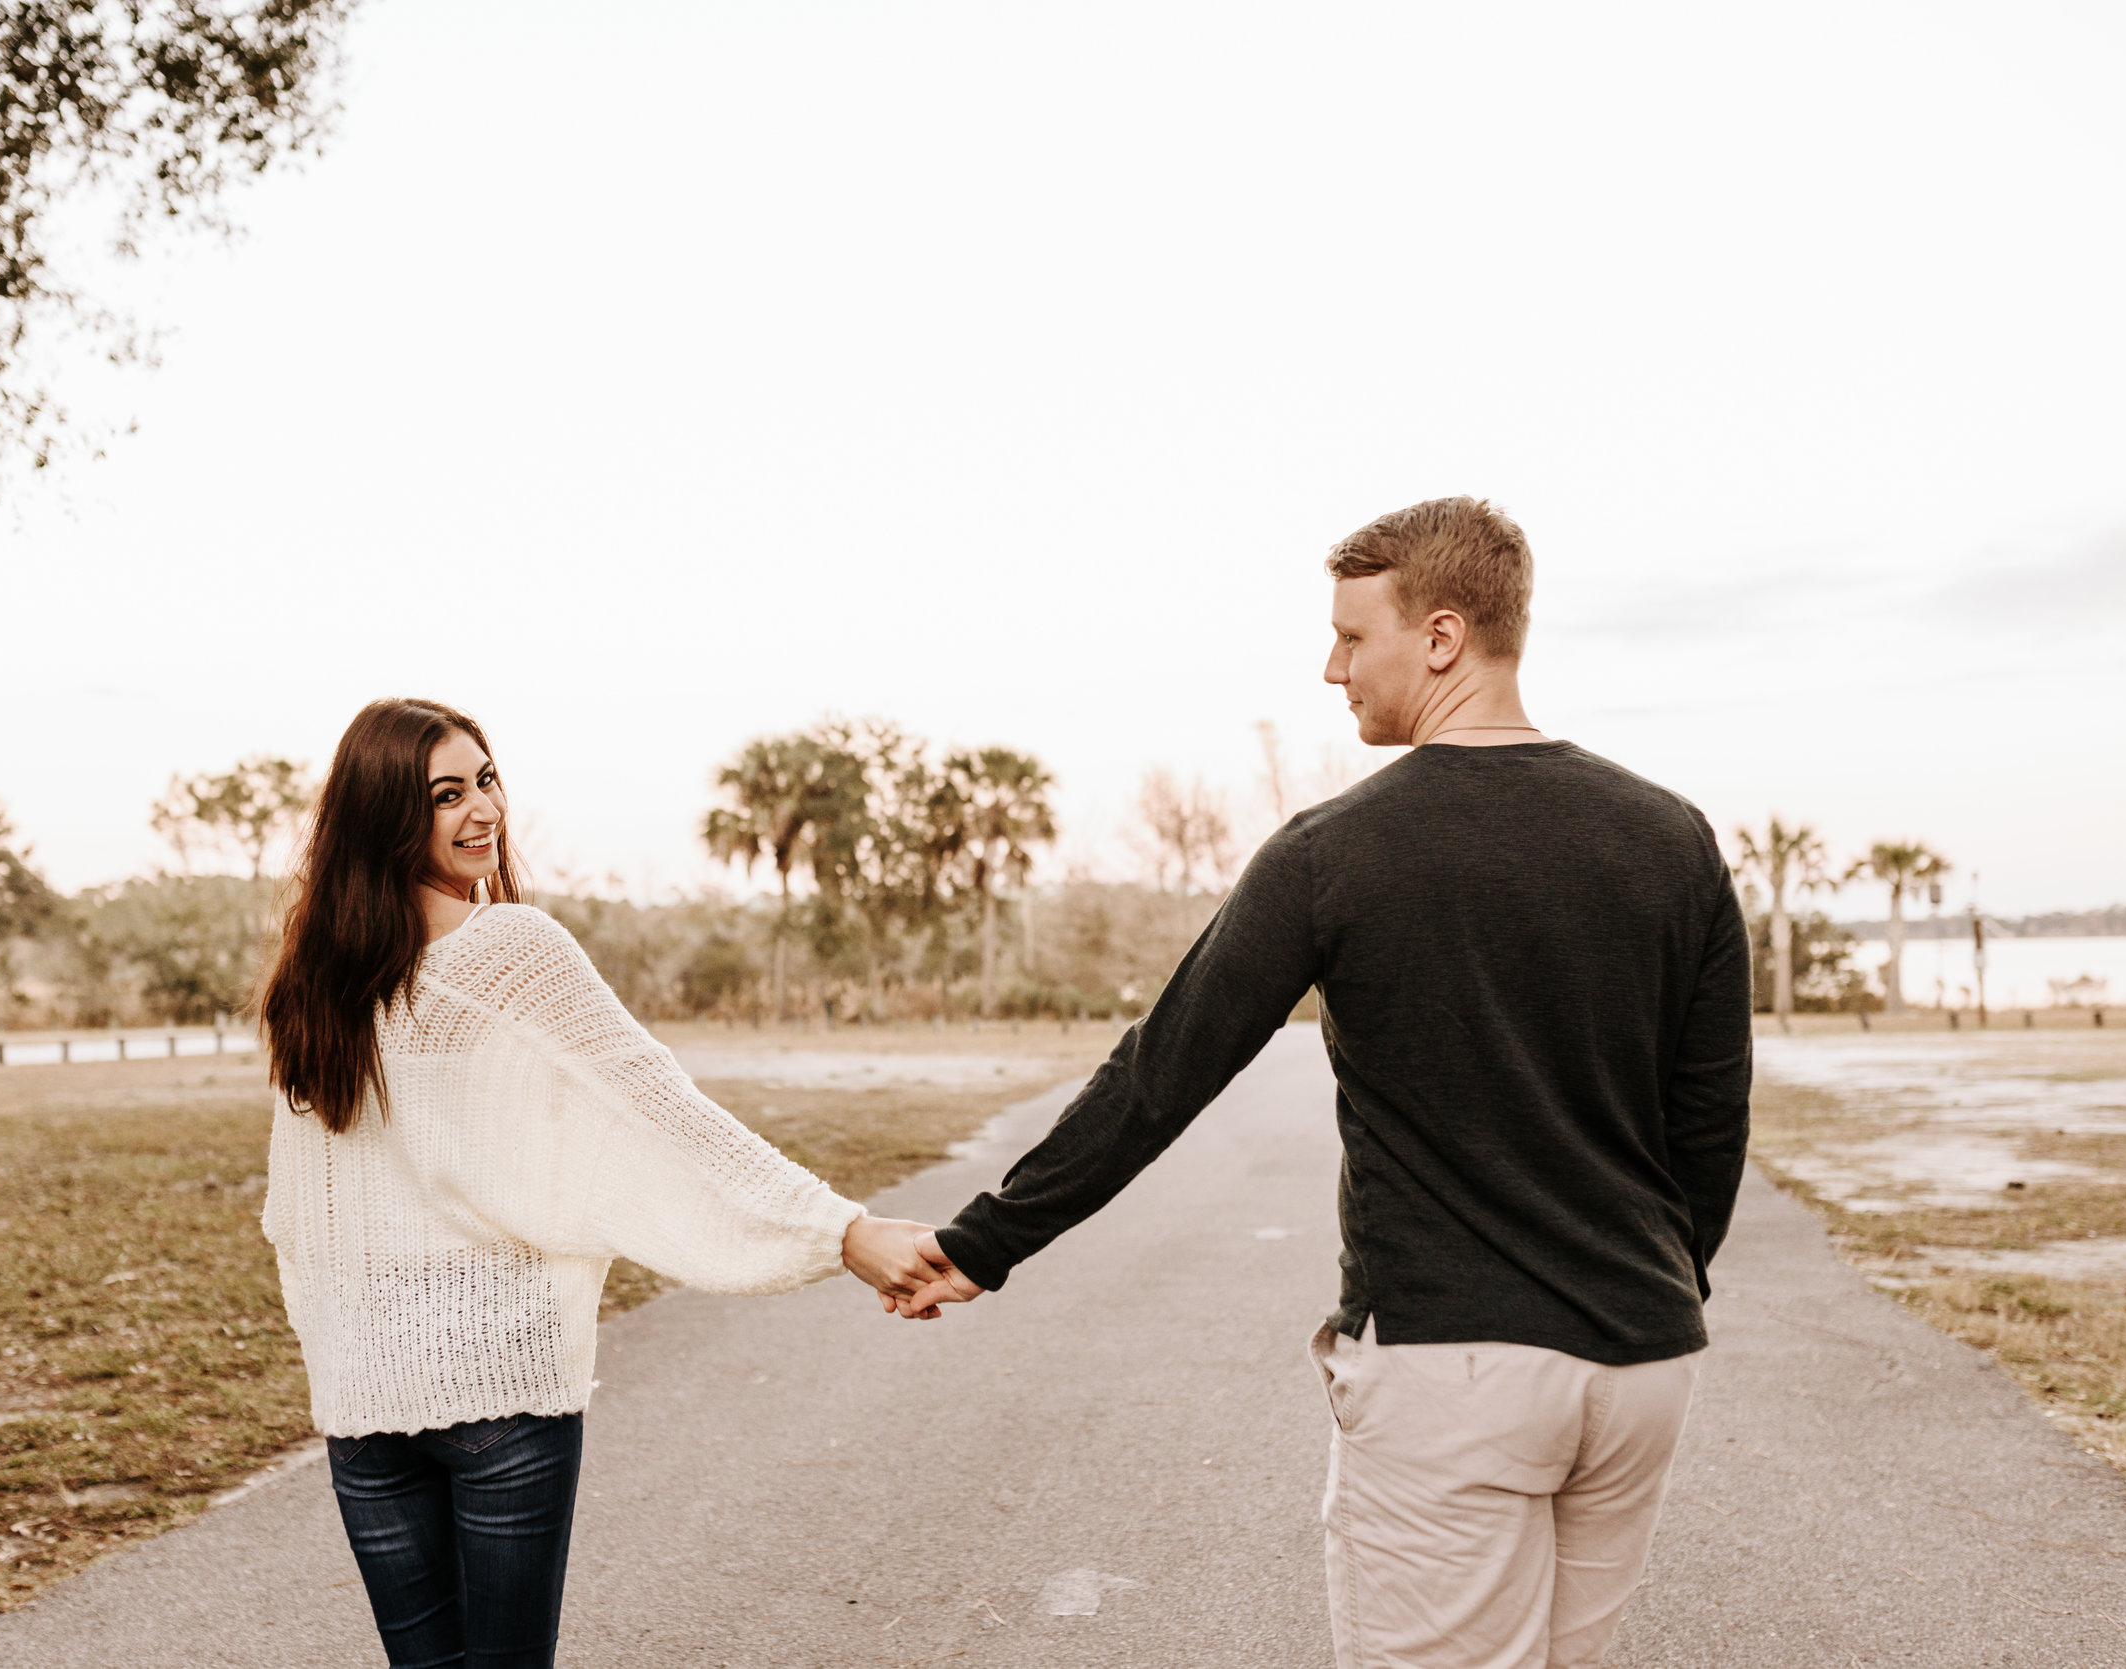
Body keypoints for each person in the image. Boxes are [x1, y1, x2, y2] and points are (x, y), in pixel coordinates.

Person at [899, 498, 1753, 1669]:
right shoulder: (1674, 838)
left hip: (1451, 1373)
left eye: (1354, 637)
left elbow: (1162, 1072)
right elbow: (1707, 1120)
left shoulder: (1332, 851)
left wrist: (983, 1241)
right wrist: (1661, 1283)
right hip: (1643, 1364)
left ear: (1441, 637)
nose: (1330, 666)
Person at [258, 697, 939, 1669]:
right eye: (443, 795)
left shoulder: (310, 983)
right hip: (499, 1390)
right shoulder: (510, 949)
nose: (481, 810)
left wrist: (342, 1358)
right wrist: (842, 1233)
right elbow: (661, 1115)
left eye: (485, 779)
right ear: (385, 818)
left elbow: (305, 1219)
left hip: (365, 1406)